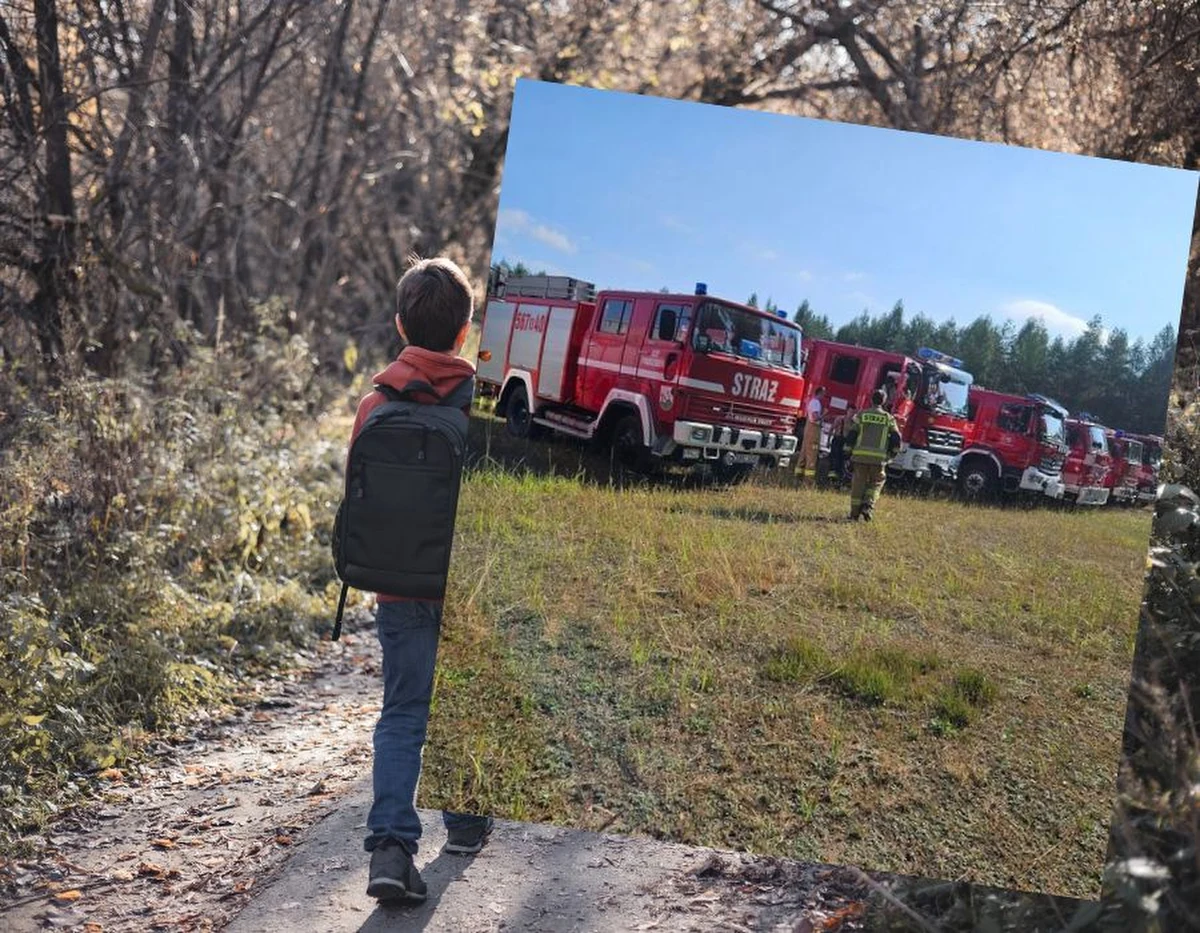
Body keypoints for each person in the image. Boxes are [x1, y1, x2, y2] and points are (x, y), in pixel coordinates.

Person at [347, 257, 494, 904]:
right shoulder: (478, 413)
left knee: (403, 711)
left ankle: (390, 847)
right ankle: (463, 825)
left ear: (401, 324)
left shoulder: (374, 405)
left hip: (398, 588)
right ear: (465, 332)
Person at [844, 389, 902, 522]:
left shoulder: (861, 415)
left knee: (858, 484)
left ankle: (854, 515)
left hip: (859, 457)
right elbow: (896, 438)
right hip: (879, 459)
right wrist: (893, 453)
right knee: (877, 481)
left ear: (871, 400)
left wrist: (847, 452)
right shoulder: (889, 418)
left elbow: (851, 435)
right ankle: (868, 505)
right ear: (884, 401)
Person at [795, 386, 825, 482]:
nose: (824, 396)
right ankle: (808, 481)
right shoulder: (816, 403)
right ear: (820, 393)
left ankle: (797, 477)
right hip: (813, 432)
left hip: (808, 431)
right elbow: (815, 417)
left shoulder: (812, 402)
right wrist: (824, 414)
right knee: (812, 456)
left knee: (803, 454)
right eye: (823, 393)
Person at [827, 403, 856, 483]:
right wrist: (828, 441)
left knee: (842, 461)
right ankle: (831, 479)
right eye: (851, 412)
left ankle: (840, 478)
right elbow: (831, 429)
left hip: (845, 443)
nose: (852, 414)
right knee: (834, 459)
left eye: (853, 412)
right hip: (837, 441)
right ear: (847, 411)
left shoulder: (853, 423)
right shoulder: (840, 419)